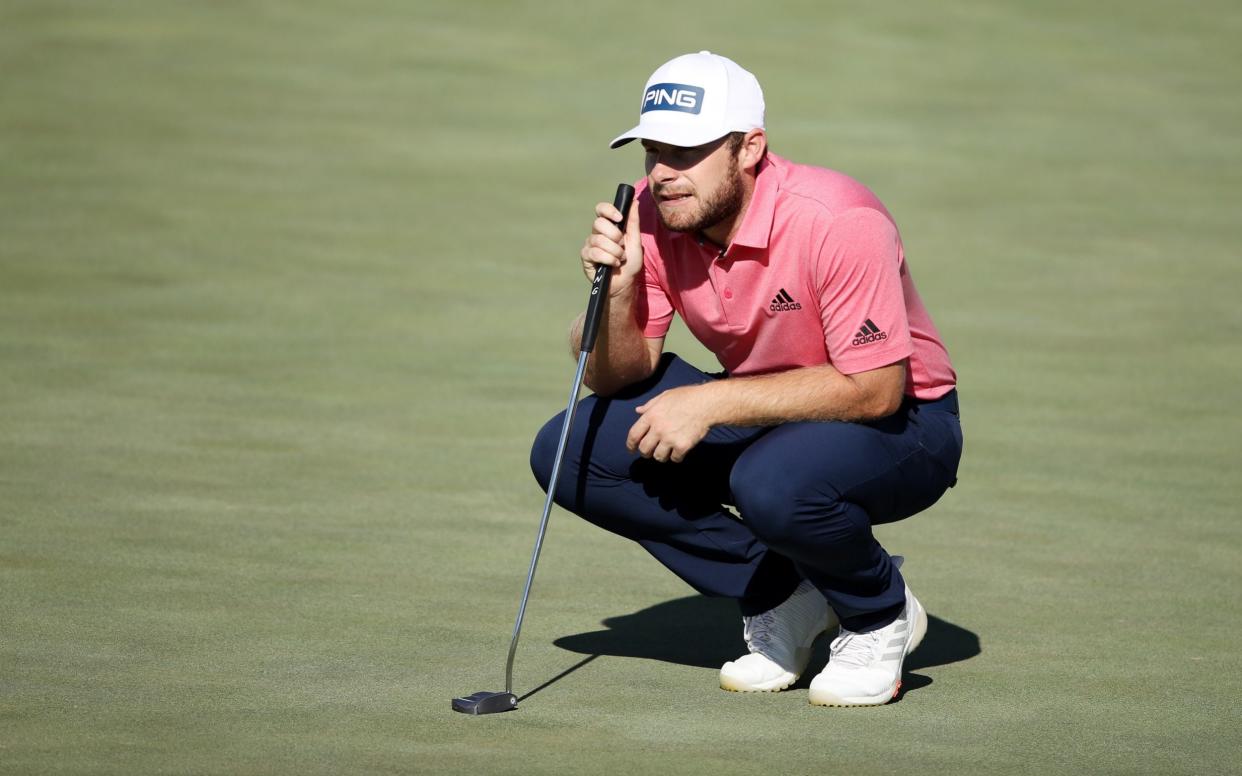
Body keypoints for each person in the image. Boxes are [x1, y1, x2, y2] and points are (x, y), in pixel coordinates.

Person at [530, 51, 962, 707]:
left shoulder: (837, 217)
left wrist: (710, 402)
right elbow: (621, 374)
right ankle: (786, 593)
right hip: (771, 406)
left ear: (749, 147)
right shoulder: (652, 211)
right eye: (653, 151)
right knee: (573, 451)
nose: (664, 174)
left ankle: (877, 614)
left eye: (688, 152)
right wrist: (616, 295)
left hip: (907, 424)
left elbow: (877, 389)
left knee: (770, 482)